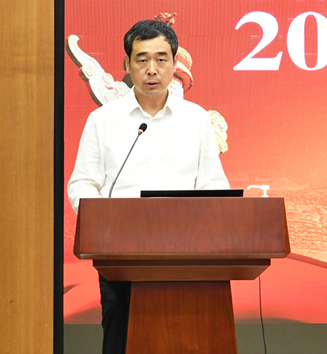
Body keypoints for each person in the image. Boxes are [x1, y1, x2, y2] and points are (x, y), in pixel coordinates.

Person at [67, 19, 230, 354]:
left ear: (174, 63)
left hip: (185, 254)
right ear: (127, 65)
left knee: (186, 339)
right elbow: (82, 182)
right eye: (142, 60)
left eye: (161, 59)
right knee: (121, 339)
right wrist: (104, 221)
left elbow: (214, 183)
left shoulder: (196, 119)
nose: (151, 69)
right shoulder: (103, 120)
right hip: (120, 254)